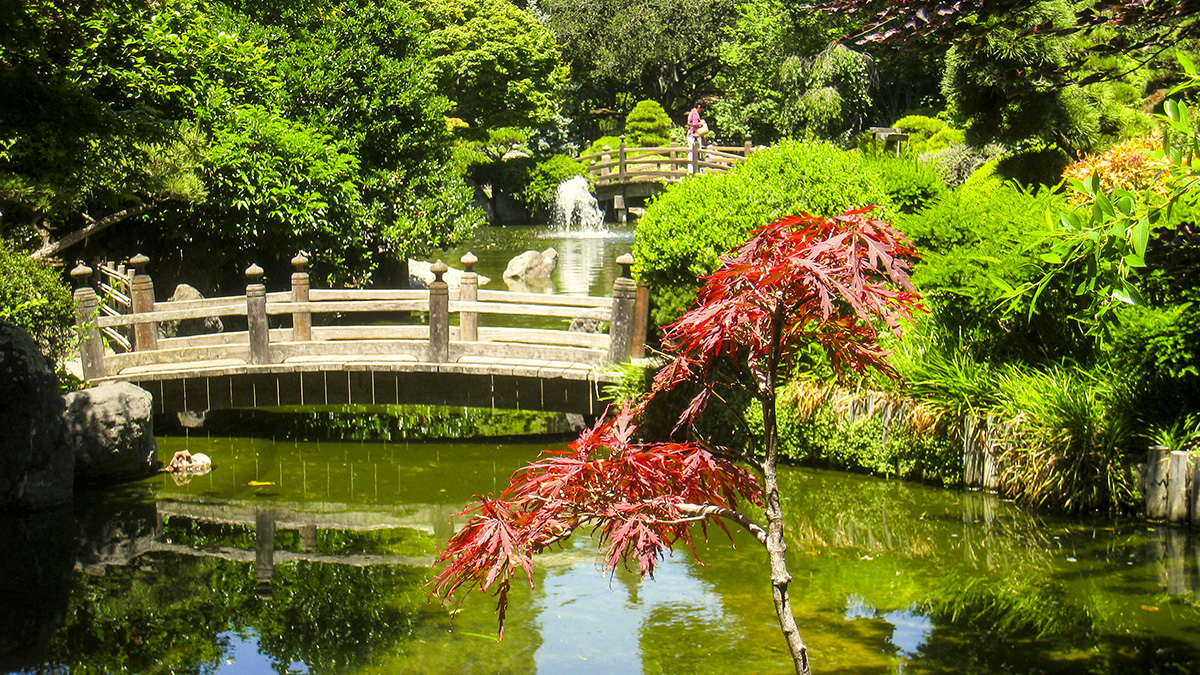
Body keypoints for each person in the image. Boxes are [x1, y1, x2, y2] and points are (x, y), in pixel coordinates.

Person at [686, 100, 705, 173]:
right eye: (701, 109)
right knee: (693, 152)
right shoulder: (694, 113)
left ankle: (694, 170)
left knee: (693, 152)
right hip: (693, 136)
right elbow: (694, 124)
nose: (701, 111)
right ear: (699, 106)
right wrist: (701, 123)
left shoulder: (693, 112)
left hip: (692, 135)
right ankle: (692, 170)